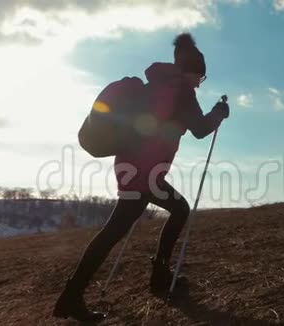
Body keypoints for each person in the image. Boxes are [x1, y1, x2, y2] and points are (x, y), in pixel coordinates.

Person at [52, 32, 229, 323]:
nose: (200, 82)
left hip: (133, 167)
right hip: (145, 174)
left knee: (166, 213)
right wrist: (219, 112)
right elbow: (199, 129)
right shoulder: (182, 91)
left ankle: (154, 275)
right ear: (191, 72)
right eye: (200, 77)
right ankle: (74, 295)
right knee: (115, 231)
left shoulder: (156, 85)